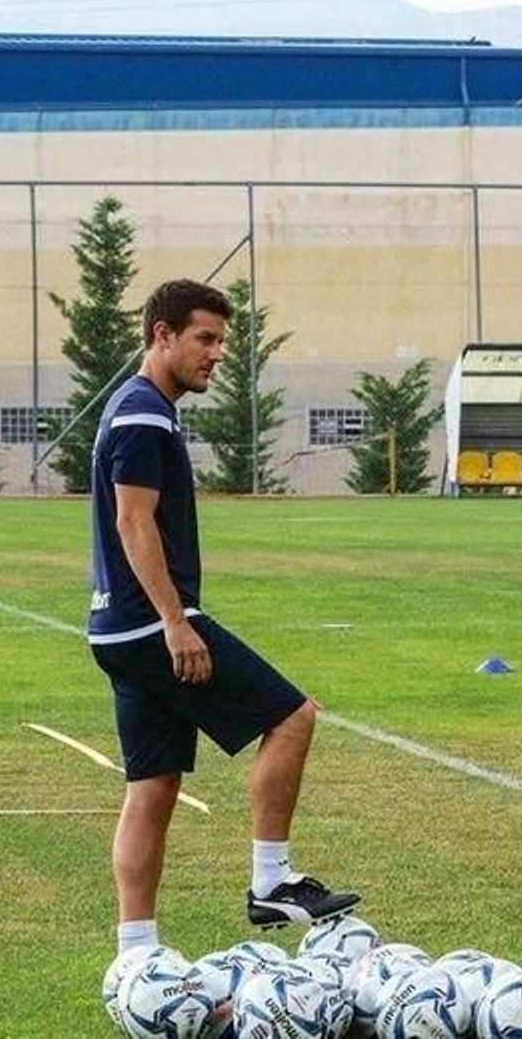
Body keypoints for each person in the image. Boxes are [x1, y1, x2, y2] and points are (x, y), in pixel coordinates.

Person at [89, 279, 359, 955]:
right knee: (293, 716)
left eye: (220, 341)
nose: (216, 354)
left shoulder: (143, 408)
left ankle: (137, 954)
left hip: (117, 630)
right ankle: (271, 882)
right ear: (162, 335)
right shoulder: (144, 414)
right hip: (152, 626)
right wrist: (176, 622)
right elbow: (132, 521)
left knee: (153, 786)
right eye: (205, 339)